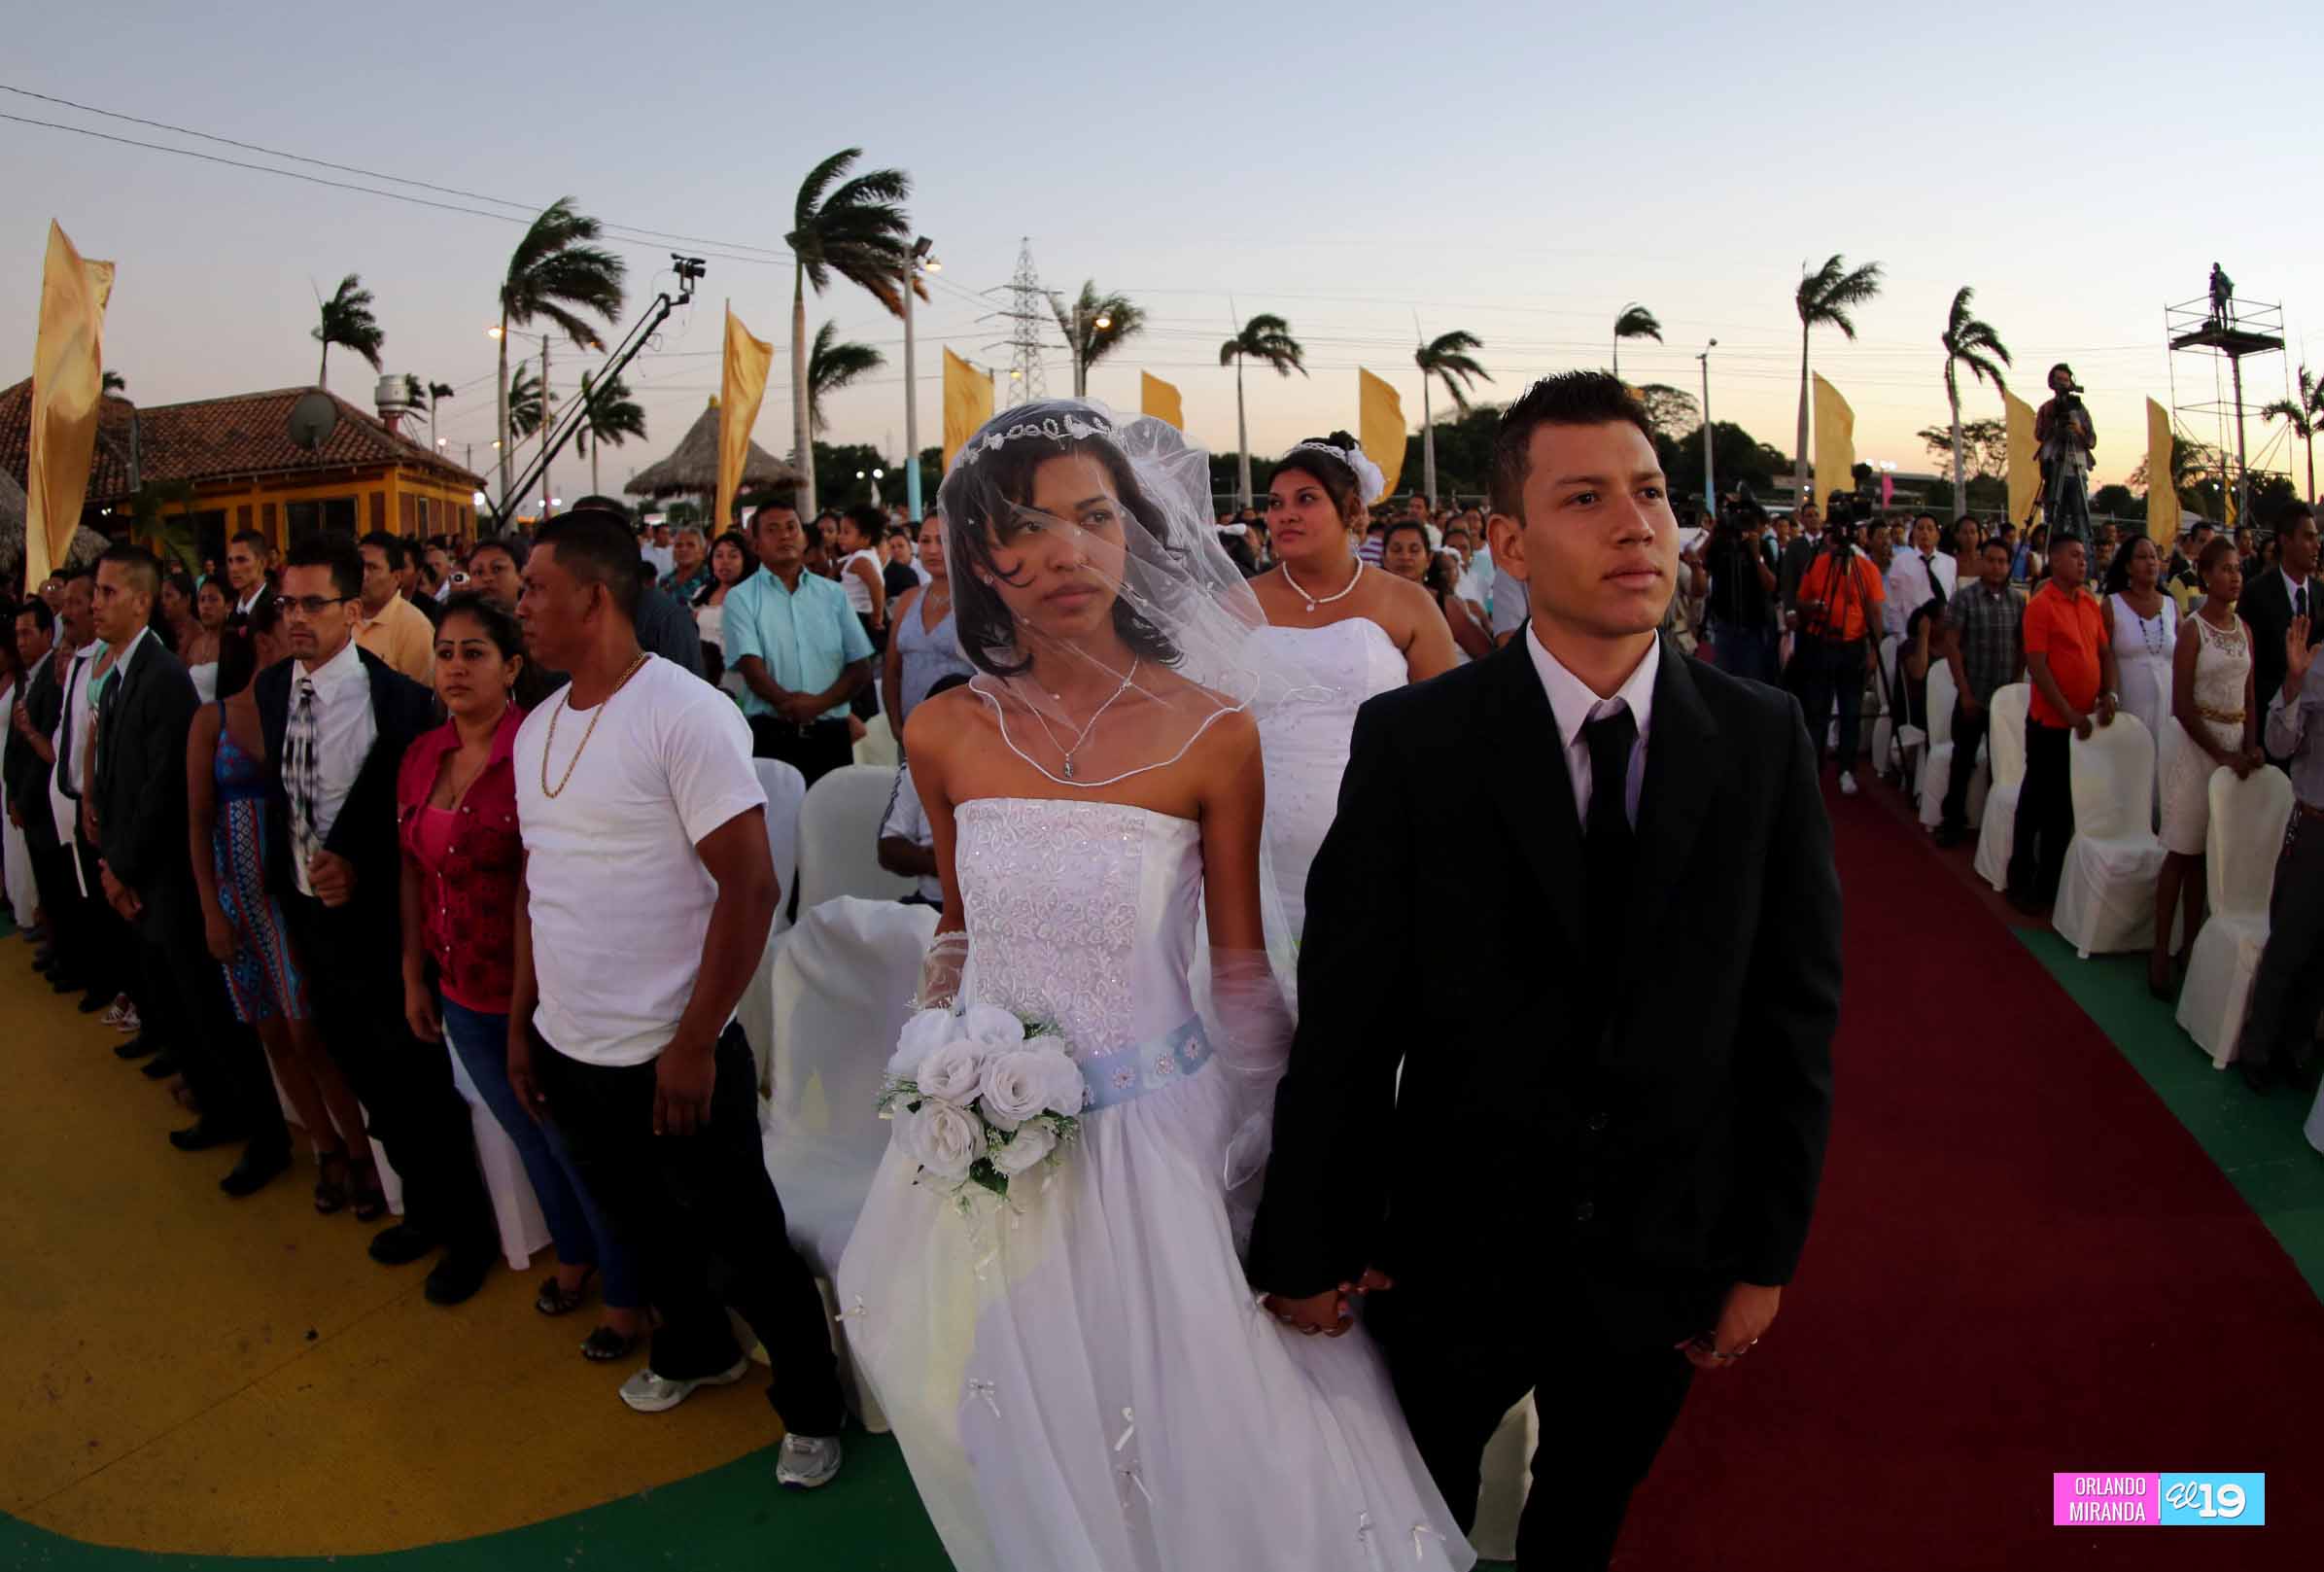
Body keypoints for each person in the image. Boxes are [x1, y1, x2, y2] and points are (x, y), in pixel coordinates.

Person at [836, 399, 1467, 1571]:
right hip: (991, 1138)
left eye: (1094, 517)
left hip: (1161, 1133)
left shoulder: (1215, 730)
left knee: (1207, 1422)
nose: (1067, 551)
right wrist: (938, 1061)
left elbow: (1239, 973)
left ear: (1134, 535)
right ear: (982, 554)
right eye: (1027, 526)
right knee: (1027, 1402)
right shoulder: (942, 732)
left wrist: (1289, 1161)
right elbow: (961, 931)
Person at [1251, 372, 1841, 1572]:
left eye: (1651, 493)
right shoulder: (1419, 743)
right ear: (1510, 542)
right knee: (1416, 1519)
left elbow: (1793, 1014)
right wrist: (1313, 1235)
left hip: (1663, 1254)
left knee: (1584, 1519)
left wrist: (1764, 1254)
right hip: (1452, 1254)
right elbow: (1353, 1012)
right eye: (1586, 498)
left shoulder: (1760, 739)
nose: (1636, 525)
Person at [504, 510, 845, 1482]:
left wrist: (695, 1042)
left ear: (595, 596)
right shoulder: (537, 728)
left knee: (743, 1243)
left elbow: (750, 886)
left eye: (534, 587)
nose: (519, 605)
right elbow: (542, 885)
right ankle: (699, 1350)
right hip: (573, 1043)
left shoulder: (683, 714)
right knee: (641, 1231)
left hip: (673, 1048)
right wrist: (530, 1027)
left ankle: (811, 1405)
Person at [398, 593, 644, 1359]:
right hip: (456, 982)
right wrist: (413, 970)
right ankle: (572, 1254)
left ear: (512, 667)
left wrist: (518, 1013)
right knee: (528, 1137)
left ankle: (631, 1294)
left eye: (475, 652)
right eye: (444, 651)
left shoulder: (536, 751)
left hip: (540, 989)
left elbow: (543, 885)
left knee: (578, 1144)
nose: (455, 666)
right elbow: (411, 867)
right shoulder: (421, 754)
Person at [256, 533, 500, 1301]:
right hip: (307, 915)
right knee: (363, 1073)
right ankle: (421, 1210)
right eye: (285, 603)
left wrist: (355, 862)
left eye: (312, 603)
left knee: (416, 1080)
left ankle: (469, 1234)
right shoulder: (271, 692)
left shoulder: (398, 700)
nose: (296, 617)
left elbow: (407, 810)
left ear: (352, 612)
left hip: (382, 922)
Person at [90, 545, 295, 1192]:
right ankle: (219, 1108)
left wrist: (121, 866)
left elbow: (163, 792)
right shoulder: (123, 674)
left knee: (215, 1014)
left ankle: (265, 1135)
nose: (95, 604)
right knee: (180, 1010)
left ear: (141, 600)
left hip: (171, 876)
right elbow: (116, 780)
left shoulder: (161, 677)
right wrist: (113, 863)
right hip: (139, 874)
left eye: (106, 592)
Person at [189, 607, 380, 1214]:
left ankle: (362, 1152)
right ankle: (324, 1146)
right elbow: (195, 822)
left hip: (286, 899)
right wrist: (210, 912)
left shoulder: (296, 713)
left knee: (308, 1030)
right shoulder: (211, 719)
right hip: (233, 899)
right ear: (262, 641)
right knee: (271, 1029)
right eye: (281, 632)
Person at [1250, 434, 1457, 943]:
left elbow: (1448, 736)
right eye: (1276, 504)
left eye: (1306, 500)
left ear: (1351, 511)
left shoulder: (1406, 604)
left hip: (1377, 840)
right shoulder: (1239, 602)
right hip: (1255, 848)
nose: (1286, 516)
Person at [2149, 539, 2259, 998]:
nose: (2235, 577)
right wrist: (2222, 753)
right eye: (2226, 569)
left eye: (2238, 569)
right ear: (2207, 574)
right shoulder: (2193, 630)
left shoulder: (2244, 630)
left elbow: (2249, 697)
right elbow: (2181, 705)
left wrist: (2250, 747)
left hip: (2234, 752)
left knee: (2209, 856)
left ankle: (2192, 947)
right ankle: (2159, 953)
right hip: (2197, 749)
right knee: (2182, 851)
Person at [723, 499, 873, 785]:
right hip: (772, 733)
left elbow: (860, 665)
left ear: (804, 538)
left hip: (832, 734)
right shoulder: (740, 599)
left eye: (792, 527)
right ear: (755, 545)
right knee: (779, 824)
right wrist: (791, 705)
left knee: (830, 822)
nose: (785, 535)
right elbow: (752, 669)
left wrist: (817, 705)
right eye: (773, 529)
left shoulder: (833, 594)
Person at [2006, 537, 2119, 912]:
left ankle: (2049, 888)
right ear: (2053, 560)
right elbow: (2037, 667)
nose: (2082, 562)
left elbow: (2105, 654)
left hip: (2083, 723)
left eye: (2085, 556)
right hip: (2050, 724)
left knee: (2064, 810)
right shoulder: (2040, 607)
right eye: (2074, 556)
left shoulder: (2089, 601)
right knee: (2037, 805)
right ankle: (2020, 879)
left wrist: (2109, 695)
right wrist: (2068, 712)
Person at [2238, 609, 2324, 1093]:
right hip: (2314, 827)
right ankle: (2259, 1049)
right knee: (2291, 944)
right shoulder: (2315, 664)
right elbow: (2279, 742)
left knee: (2323, 956)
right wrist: (2292, 686)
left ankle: (2296, 1048)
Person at [1932, 539, 2027, 848]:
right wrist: (1965, 692)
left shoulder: (2017, 600)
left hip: (2003, 699)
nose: (1997, 566)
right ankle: (1953, 821)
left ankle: (1993, 824)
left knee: (2003, 763)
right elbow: (1952, 646)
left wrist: (2015, 683)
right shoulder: (1964, 598)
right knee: (1963, 761)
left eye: (2003, 561)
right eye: (1992, 560)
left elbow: (2021, 645)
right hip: (1973, 694)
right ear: (1982, 561)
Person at [1788, 504, 1886, 795]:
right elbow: (1801, 601)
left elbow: (1875, 613)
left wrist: (1873, 653)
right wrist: (1813, 607)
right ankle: (1815, 769)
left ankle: (1847, 769)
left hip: (1853, 646)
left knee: (1850, 712)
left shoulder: (1864, 567)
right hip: (1822, 644)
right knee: (1817, 711)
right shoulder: (1819, 564)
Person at [875, 674, 970, 905]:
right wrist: (937, 864)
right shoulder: (918, 767)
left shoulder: (1008, 767)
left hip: (991, 912)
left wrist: (936, 857)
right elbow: (888, 849)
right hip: (932, 905)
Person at [2237, 503, 2323, 762]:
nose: (2317, 546)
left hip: (2316, 741)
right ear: (2285, 541)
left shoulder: (2321, 594)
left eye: (2317, 537)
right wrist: (2252, 739)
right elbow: (2246, 671)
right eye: (2308, 537)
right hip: (2270, 733)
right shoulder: (2256, 594)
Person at [879, 510, 975, 738]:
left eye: (943, 540)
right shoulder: (908, 599)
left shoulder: (980, 603)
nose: (932, 550)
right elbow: (892, 670)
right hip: (910, 734)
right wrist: (896, 725)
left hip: (965, 734)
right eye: (925, 540)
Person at [2100, 534, 2176, 812]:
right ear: (2129, 566)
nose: (2151, 563)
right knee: (2132, 771)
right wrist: (2109, 693)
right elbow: (2104, 654)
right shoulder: (2112, 605)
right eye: (2142, 557)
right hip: (2130, 704)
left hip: (2167, 708)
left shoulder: (2171, 606)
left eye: (2154, 556)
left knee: (2164, 772)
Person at [1704, 497, 1782, 684]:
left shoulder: (1761, 546)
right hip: (1724, 626)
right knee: (1723, 684)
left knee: (1752, 684)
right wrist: (1714, 533)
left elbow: (1771, 585)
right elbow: (1698, 563)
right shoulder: (1721, 545)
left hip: (1753, 628)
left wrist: (1756, 556)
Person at [353, 532, 436, 684]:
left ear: (397, 577)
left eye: (372, 568)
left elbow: (420, 697)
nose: (362, 575)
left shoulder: (416, 627)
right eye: (359, 566)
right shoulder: (342, 617)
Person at [2034, 364, 2096, 544]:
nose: (2062, 383)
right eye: (2058, 379)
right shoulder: (2046, 409)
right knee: (2055, 519)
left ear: (2071, 383)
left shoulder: (2080, 409)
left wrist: (2078, 430)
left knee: (2080, 519)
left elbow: (2092, 441)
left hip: (2076, 468)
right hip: (2054, 467)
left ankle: (2084, 561)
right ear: (2051, 383)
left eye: (2065, 380)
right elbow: (2038, 435)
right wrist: (2054, 425)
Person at [692, 528, 753, 677]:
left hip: (740, 675)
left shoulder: (753, 596)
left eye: (733, 556)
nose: (725, 561)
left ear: (745, 560)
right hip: (704, 673)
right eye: (719, 556)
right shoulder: (702, 593)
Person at [186, 577, 228, 701]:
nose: (206, 606)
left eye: (213, 599)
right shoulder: (195, 644)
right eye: (202, 600)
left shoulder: (232, 644)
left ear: (228, 605)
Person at [225, 530, 276, 620]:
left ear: (262, 563)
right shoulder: (230, 611)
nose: (233, 568)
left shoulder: (276, 610)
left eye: (241, 560)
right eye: (230, 561)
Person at [658, 524, 711, 604]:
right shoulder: (665, 580)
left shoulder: (711, 580)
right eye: (678, 545)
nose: (683, 549)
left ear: (702, 552)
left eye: (690, 545)